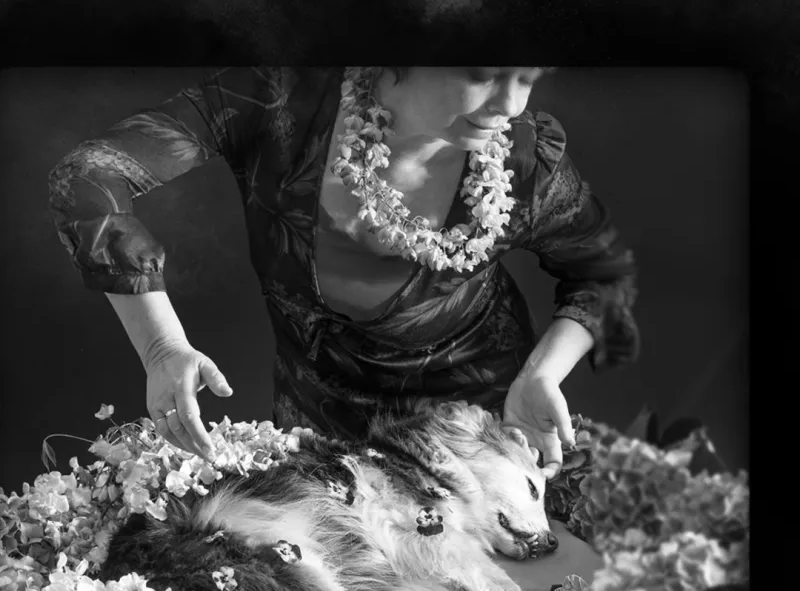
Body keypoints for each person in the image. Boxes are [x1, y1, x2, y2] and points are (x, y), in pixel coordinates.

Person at [48, 66, 639, 480]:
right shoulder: (278, 102)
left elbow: (604, 275)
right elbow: (88, 178)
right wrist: (161, 348)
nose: (510, 104)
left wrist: (542, 373)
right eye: (484, 73)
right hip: (319, 437)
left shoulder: (524, 157)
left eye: (529, 77)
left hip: (484, 432)